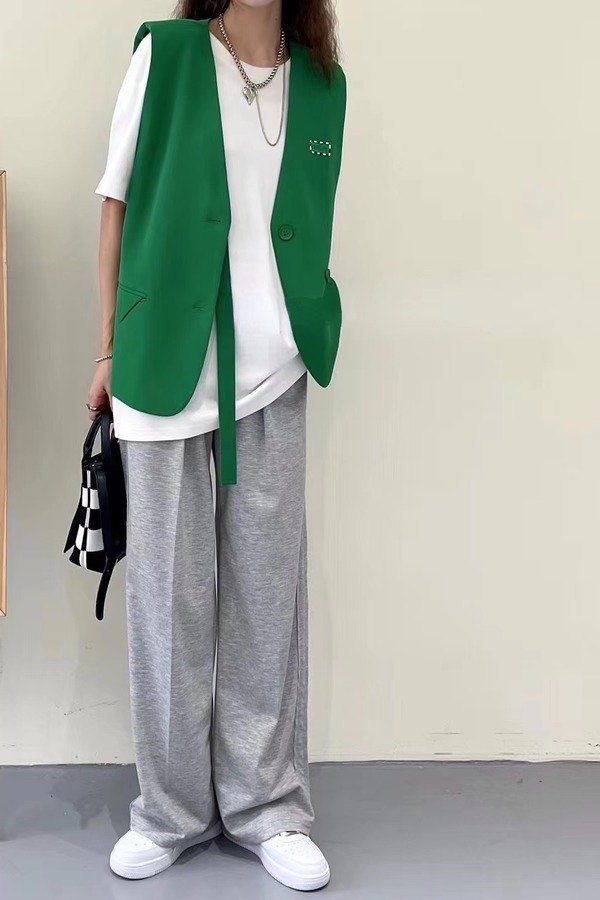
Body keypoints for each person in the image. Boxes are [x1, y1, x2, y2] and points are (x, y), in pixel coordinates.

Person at [88, 0, 346, 890]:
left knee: (268, 599)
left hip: (273, 369)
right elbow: (117, 204)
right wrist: (107, 350)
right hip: (166, 366)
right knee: (168, 600)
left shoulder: (323, 83)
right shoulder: (166, 57)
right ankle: (170, 811)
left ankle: (269, 806)